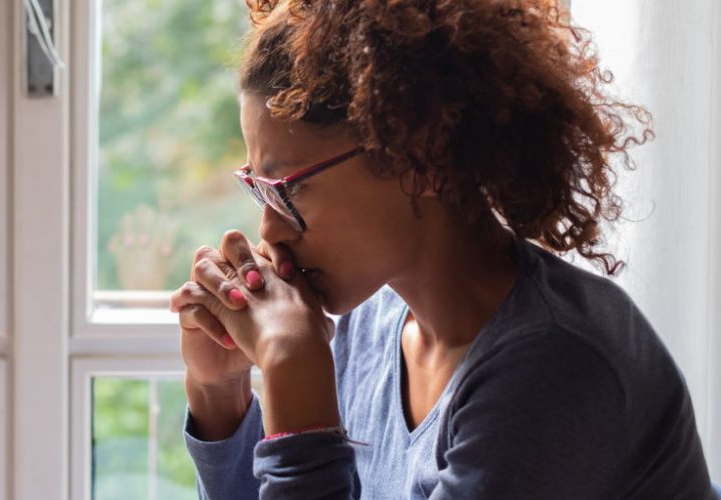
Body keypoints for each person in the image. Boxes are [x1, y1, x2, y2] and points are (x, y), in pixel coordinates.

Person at [169, 0, 714, 498]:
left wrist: (293, 370)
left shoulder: (556, 366)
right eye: (258, 190)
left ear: (421, 157)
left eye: (287, 187)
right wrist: (221, 393)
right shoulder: (368, 323)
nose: (271, 231)